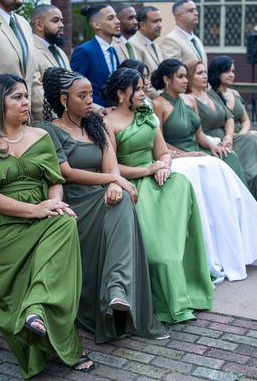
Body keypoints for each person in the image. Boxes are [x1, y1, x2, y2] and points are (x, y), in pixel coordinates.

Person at [0, 74, 95, 377]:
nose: (26, 103)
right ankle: (44, 323)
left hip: (42, 214)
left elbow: (55, 181)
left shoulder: (40, 136)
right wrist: (35, 210)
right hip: (4, 229)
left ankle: (35, 309)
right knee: (60, 227)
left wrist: (54, 203)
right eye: (17, 97)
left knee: (65, 221)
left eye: (26, 96)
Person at [41, 67, 167, 343]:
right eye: (82, 95)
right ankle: (116, 291)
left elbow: (111, 164)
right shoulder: (50, 130)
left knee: (120, 201)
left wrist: (113, 183)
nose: (90, 101)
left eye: (90, 94)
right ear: (64, 100)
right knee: (121, 201)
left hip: (103, 196)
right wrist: (113, 179)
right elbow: (66, 173)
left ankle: (117, 292)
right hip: (75, 201)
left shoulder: (96, 125)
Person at [151, 59, 257, 281]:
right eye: (181, 76)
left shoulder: (189, 101)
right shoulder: (159, 104)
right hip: (177, 156)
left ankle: (241, 240)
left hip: (197, 151)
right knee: (206, 168)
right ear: (167, 80)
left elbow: (200, 135)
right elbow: (160, 142)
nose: (186, 81)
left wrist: (215, 145)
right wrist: (185, 154)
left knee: (221, 165)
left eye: (187, 76)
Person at [103, 68, 214, 324]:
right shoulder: (108, 124)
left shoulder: (149, 116)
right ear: (121, 94)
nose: (144, 94)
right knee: (158, 253)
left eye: (143, 88)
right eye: (138, 89)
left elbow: (163, 152)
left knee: (183, 185)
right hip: (131, 184)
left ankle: (188, 294)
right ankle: (164, 300)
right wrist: (148, 169)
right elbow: (111, 169)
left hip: (158, 180)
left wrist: (163, 166)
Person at [208, 56, 257, 226]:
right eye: (227, 71)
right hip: (225, 138)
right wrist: (243, 136)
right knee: (256, 138)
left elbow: (245, 119)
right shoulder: (210, 95)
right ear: (217, 72)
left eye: (233, 71)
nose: (231, 75)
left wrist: (245, 133)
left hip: (240, 134)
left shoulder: (235, 94)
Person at [184, 59, 247, 183]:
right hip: (210, 140)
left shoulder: (211, 94)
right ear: (190, 76)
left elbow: (229, 118)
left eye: (205, 72)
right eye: (200, 73)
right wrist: (213, 143)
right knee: (244, 146)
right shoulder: (188, 99)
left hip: (226, 138)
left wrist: (228, 137)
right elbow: (197, 132)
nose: (205, 76)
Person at [70, 4, 121, 107]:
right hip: (93, 115)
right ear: (97, 25)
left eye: (116, 17)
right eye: (111, 18)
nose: (117, 21)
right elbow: (74, 88)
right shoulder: (84, 51)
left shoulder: (113, 50)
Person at [29, 4, 70, 121]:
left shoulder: (60, 52)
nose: (61, 25)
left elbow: (72, 87)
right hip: (48, 123)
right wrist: (57, 120)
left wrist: (97, 109)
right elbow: (35, 91)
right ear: (39, 25)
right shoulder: (31, 50)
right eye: (55, 20)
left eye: (61, 21)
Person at [161, 0, 207, 64]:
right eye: (191, 11)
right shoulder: (171, 40)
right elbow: (173, 71)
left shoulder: (196, 40)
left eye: (195, 10)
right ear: (179, 16)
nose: (196, 13)